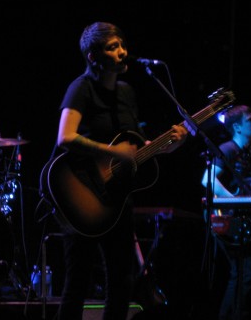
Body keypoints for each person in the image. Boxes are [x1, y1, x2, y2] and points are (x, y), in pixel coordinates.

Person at [48, 21, 187, 320]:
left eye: (122, 45)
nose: (123, 52)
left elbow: (136, 147)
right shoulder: (80, 88)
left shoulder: (126, 93)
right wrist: (113, 152)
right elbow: (65, 137)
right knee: (78, 282)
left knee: (122, 281)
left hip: (116, 198)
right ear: (93, 57)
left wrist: (168, 145)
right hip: (80, 192)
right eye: (113, 47)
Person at [201, 104, 251, 320]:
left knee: (242, 273)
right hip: (225, 218)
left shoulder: (250, 156)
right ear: (237, 127)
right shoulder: (228, 149)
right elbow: (207, 179)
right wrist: (233, 198)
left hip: (238, 219)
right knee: (245, 273)